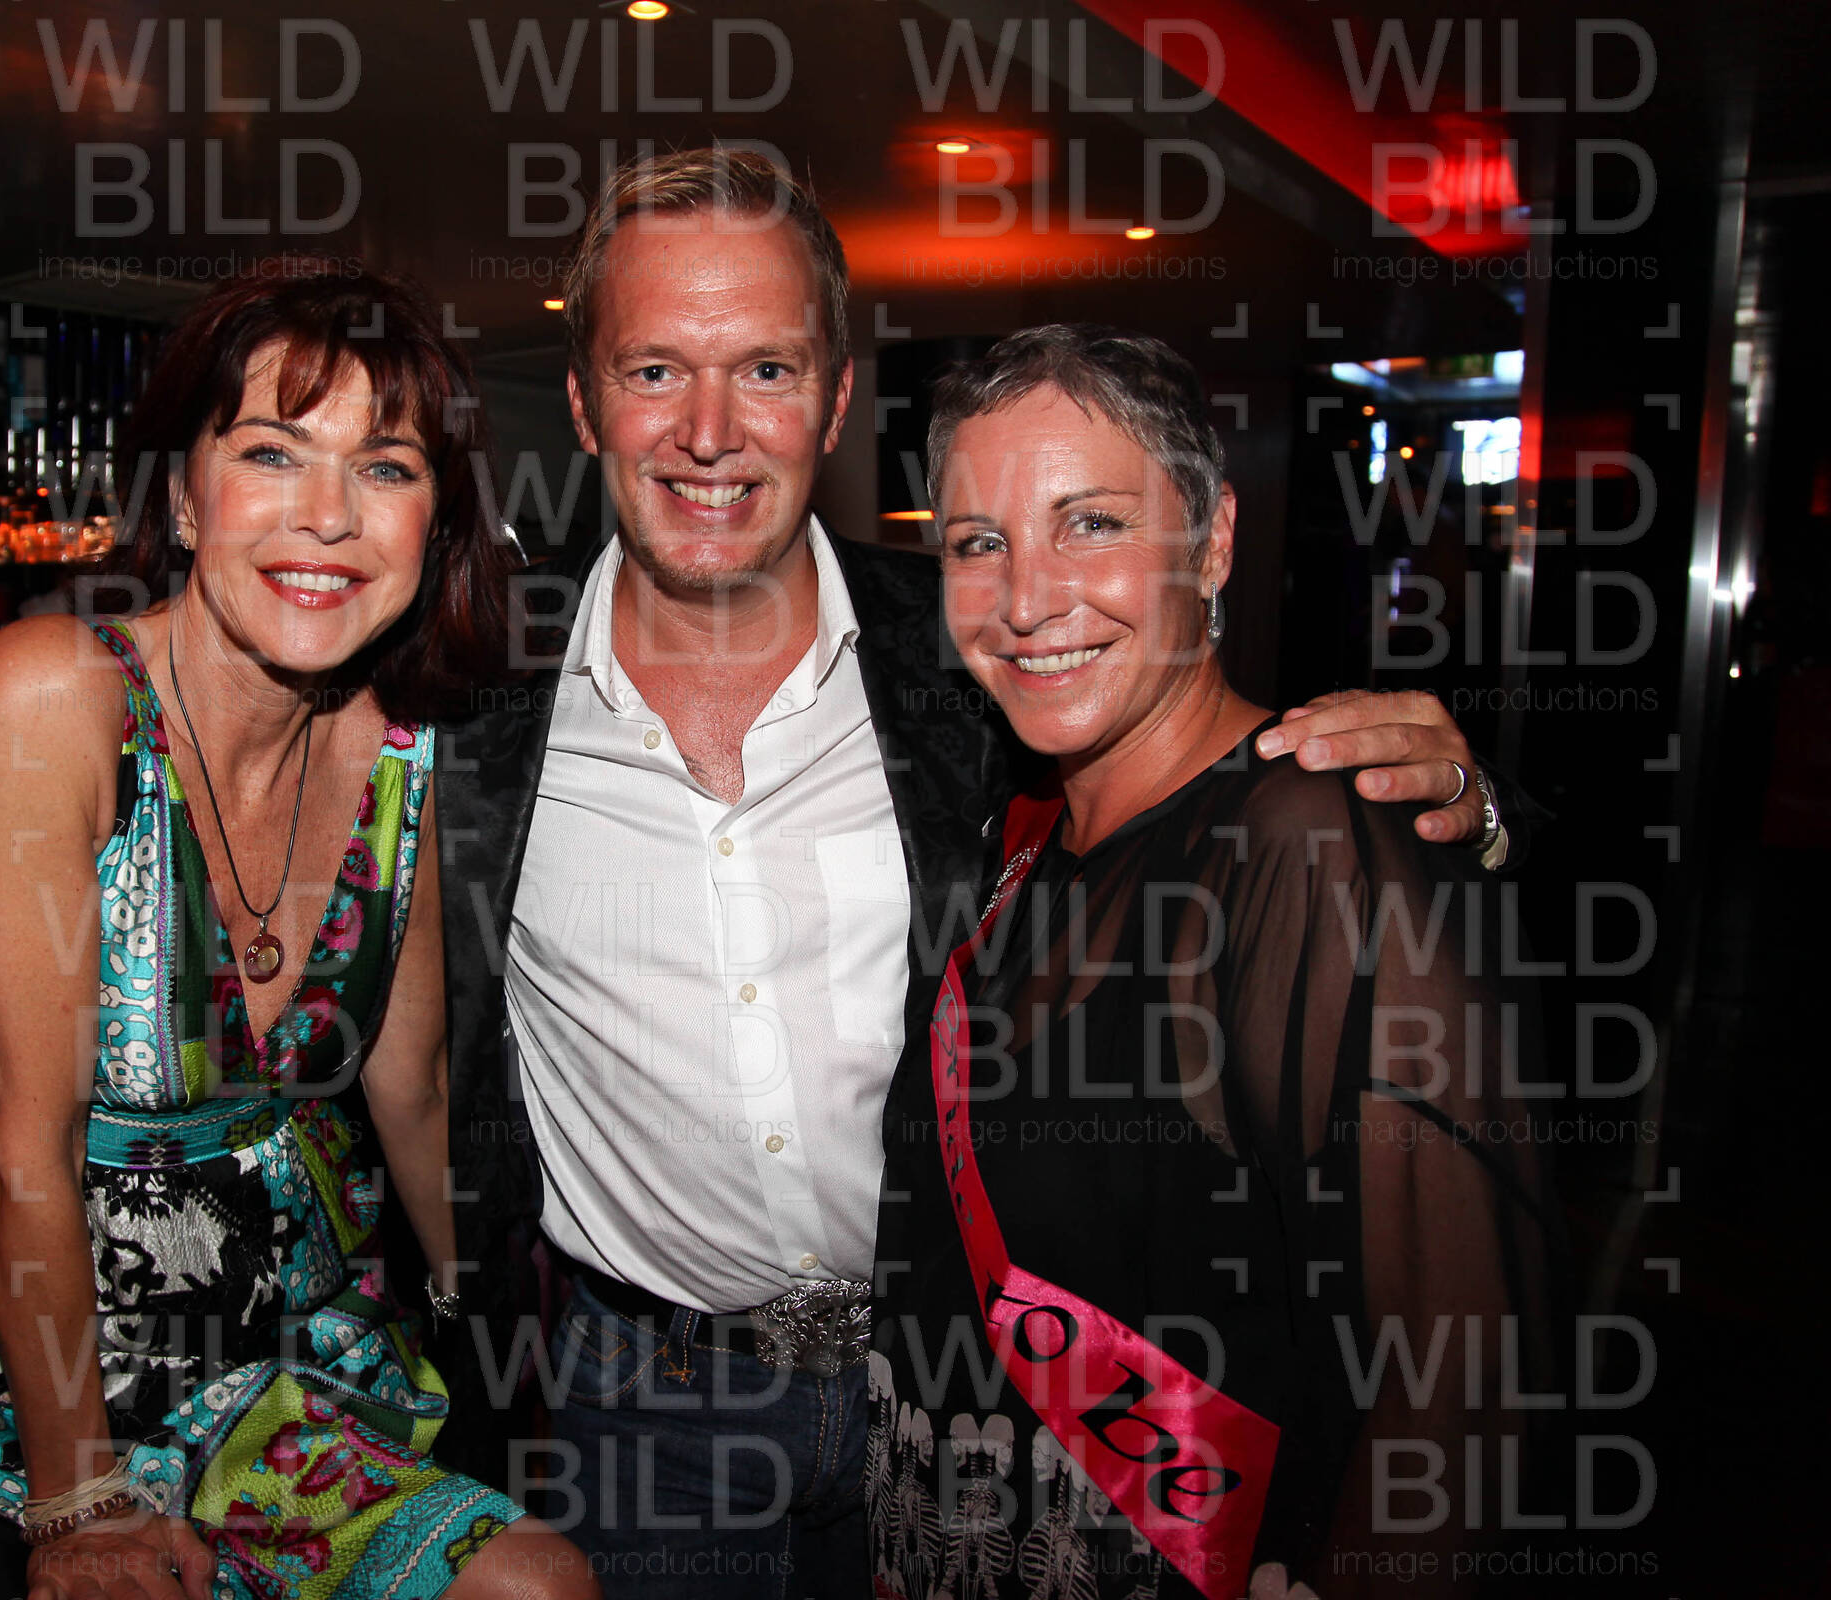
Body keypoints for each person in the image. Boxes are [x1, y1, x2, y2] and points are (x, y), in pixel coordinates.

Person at [431, 149, 1518, 1600]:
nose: (708, 431)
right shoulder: (467, 704)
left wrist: (1466, 811)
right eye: (654, 371)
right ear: (583, 402)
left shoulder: (964, 663)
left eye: (765, 368)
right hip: (648, 1404)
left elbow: (1224, 799)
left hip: (954, 1388)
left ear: (833, 400)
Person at [0, 263, 595, 1600]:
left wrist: (489, 1332)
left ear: (437, 520)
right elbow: (21, 1151)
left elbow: (411, 1088)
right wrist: (81, 1504)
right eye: (272, 452)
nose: (328, 516)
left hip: (312, 1338)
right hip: (75, 1356)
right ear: (182, 495)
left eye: (386, 468)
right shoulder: (54, 701)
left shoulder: (402, 749)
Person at [865, 326, 1551, 1600]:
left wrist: (1492, 814)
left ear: (1215, 539)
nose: (1027, 599)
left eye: (1092, 524)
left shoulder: (1308, 841)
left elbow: (1461, 1379)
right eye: (977, 542)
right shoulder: (1021, 837)